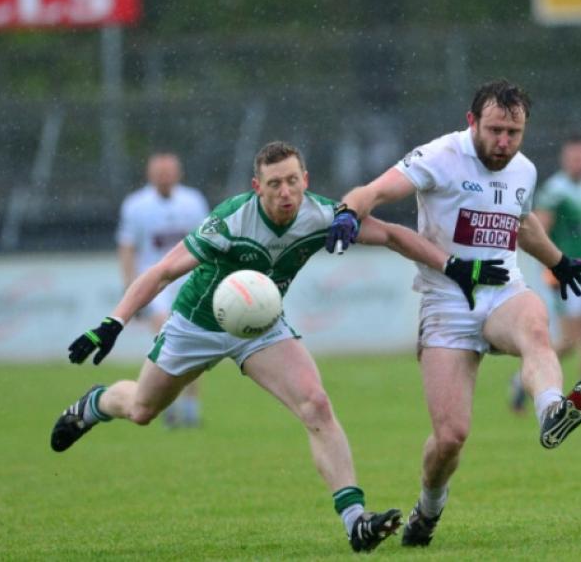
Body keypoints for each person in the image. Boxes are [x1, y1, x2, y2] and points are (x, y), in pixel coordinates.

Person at [51, 141, 485, 553]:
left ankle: (355, 521)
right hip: (196, 324)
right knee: (143, 410)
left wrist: (452, 266)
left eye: (293, 181)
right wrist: (112, 323)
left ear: (306, 180)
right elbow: (163, 271)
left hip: (260, 326)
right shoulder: (231, 222)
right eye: (274, 184)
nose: (286, 192)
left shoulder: (320, 214)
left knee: (316, 404)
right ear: (256, 187)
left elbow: (391, 235)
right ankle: (95, 404)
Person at [325, 80, 581, 548]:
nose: (504, 143)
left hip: (501, 290)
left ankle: (551, 410)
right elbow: (374, 191)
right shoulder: (439, 156)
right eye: (495, 130)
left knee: (536, 326)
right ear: (472, 121)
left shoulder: (524, 169)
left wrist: (557, 260)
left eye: (514, 133)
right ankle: (428, 510)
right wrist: (349, 213)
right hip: (447, 301)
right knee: (450, 437)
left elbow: (522, 220)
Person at [511, 136, 581, 414]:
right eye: (574, 157)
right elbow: (537, 231)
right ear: (565, 160)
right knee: (570, 341)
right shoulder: (555, 191)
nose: (579, 162)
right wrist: (552, 267)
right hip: (564, 275)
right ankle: (522, 379)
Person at [116, 152, 210, 428]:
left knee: (194, 343)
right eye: (159, 173)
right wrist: (130, 290)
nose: (164, 177)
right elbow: (127, 247)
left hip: (189, 279)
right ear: (149, 175)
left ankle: (190, 407)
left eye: (169, 172)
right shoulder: (136, 205)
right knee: (167, 341)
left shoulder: (193, 201)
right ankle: (166, 404)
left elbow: (209, 241)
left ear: (178, 173)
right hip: (156, 282)